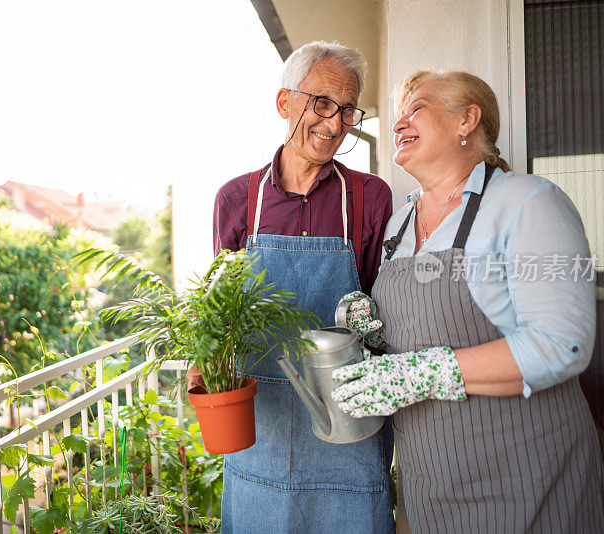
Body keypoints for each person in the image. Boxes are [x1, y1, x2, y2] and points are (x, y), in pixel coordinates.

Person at [332, 70, 604, 533]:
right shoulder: (398, 225)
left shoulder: (529, 201)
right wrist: (378, 335)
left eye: (417, 108)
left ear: (468, 119)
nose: (400, 122)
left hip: (530, 480)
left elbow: (563, 343)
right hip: (434, 487)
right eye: (398, 113)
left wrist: (426, 374)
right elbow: (420, 331)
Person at [208, 41, 394, 533]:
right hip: (262, 428)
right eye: (322, 103)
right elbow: (219, 314)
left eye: (347, 110)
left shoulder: (370, 198)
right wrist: (204, 365)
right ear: (283, 102)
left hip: (349, 423)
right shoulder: (236, 200)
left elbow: (384, 314)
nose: (334, 124)